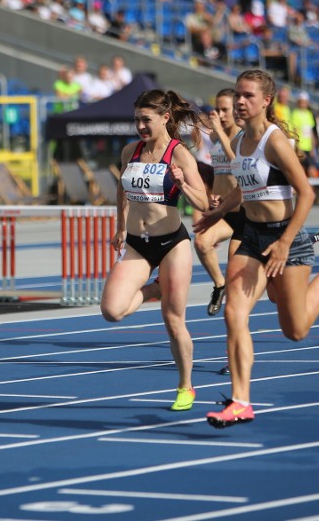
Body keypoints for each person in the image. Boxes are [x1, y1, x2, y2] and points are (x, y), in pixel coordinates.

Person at [195, 70, 319, 428]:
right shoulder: (238, 142)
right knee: (234, 314)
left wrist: (284, 243)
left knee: (295, 331)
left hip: (287, 238)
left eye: (248, 96)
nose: (240, 101)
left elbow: (308, 193)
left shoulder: (274, 140)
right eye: (237, 94)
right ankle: (240, 401)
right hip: (251, 237)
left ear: (266, 100)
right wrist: (219, 211)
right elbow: (244, 188)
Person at [100, 89, 209, 412]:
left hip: (171, 244)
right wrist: (121, 226)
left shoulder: (180, 155)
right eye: (136, 120)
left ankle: (185, 386)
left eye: (146, 120)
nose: (140, 126)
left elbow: (203, 203)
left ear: (165, 118)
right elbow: (122, 189)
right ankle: (155, 287)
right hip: (137, 243)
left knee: (173, 320)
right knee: (112, 310)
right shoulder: (130, 151)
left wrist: (183, 183)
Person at [192, 89, 242, 318]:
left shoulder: (242, 135)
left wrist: (220, 132)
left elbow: (239, 164)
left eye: (225, 110)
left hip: (246, 214)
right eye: (217, 109)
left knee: (240, 276)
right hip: (223, 211)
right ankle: (219, 285)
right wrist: (213, 195)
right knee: (202, 242)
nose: (220, 115)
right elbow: (219, 173)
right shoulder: (214, 138)